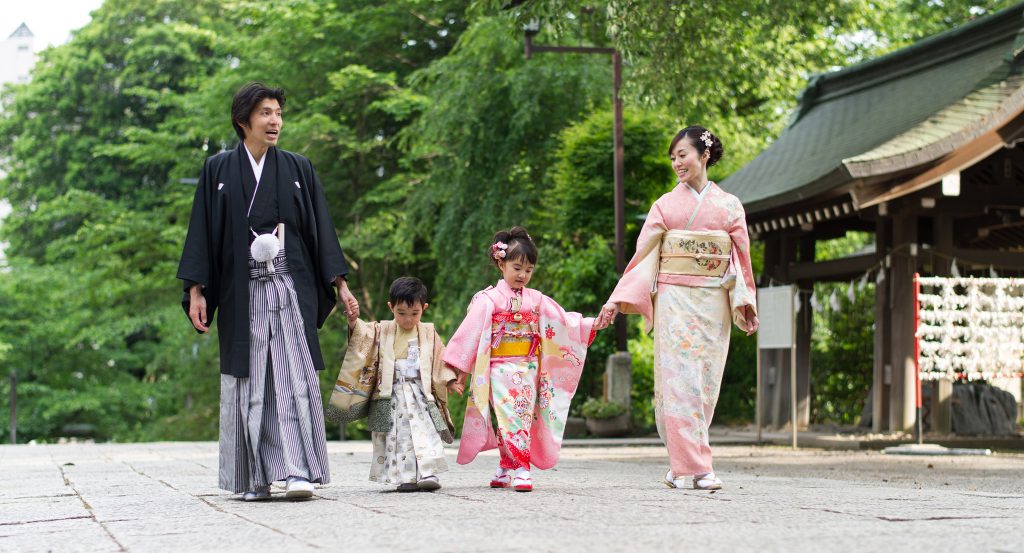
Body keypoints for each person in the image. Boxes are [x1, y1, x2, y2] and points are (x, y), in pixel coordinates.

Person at [177, 82, 360, 501]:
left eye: (278, 112)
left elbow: (320, 231)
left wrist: (341, 285)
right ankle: (254, 477)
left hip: (288, 289)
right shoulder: (218, 170)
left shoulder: (298, 168)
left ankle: (298, 470)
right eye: (265, 112)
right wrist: (196, 291)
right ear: (244, 120)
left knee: (293, 377)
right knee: (250, 380)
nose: (274, 120)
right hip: (243, 294)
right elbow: (202, 233)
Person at [594, 126, 758, 491]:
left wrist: (745, 300)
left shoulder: (730, 206)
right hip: (675, 300)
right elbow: (642, 258)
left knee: (704, 383)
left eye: (682, 155)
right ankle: (700, 468)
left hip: (714, 300)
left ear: (704, 155)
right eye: (672, 158)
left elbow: (741, 259)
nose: (676, 163)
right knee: (680, 380)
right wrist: (616, 301)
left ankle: (680, 467)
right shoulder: (664, 206)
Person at [444, 227, 599, 492]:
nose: (522, 275)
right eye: (517, 268)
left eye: (528, 270)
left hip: (528, 368)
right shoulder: (488, 299)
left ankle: (506, 466)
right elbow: (468, 335)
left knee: (518, 416)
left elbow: (563, 321)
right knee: (510, 415)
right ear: (500, 263)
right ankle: (521, 468)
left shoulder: (537, 300)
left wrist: (592, 324)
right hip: (497, 369)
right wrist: (456, 372)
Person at [338, 277, 461, 492]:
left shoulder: (428, 332)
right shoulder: (381, 329)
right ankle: (405, 477)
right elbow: (362, 337)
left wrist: (449, 380)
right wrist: (353, 322)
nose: (408, 319)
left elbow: (440, 356)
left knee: (425, 431)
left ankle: (428, 473)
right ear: (391, 307)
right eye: (401, 313)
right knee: (399, 435)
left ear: (424, 308)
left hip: (420, 393)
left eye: (415, 313)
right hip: (392, 393)